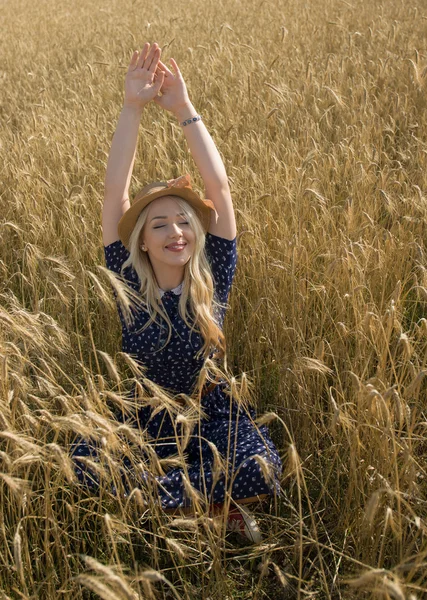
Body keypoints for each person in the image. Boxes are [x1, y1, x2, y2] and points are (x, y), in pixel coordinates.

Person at [72, 41, 282, 543]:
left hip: (210, 413)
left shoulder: (215, 274)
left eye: (184, 221)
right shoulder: (128, 282)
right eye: (159, 224)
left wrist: (185, 109)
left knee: (262, 466)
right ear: (140, 239)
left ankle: (166, 510)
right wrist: (131, 108)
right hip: (141, 416)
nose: (175, 232)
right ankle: (213, 509)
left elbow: (221, 188)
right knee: (86, 465)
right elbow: (114, 197)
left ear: (198, 233)